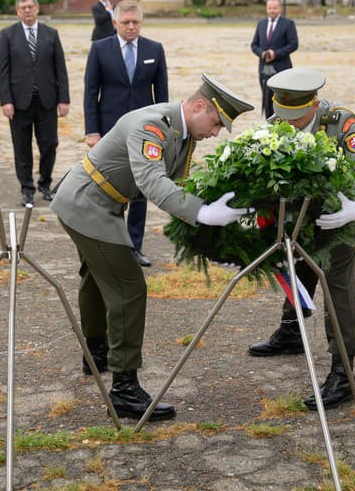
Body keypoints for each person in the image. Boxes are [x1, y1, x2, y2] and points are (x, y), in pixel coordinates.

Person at [51, 75, 254, 421]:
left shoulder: (182, 132)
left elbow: (180, 182)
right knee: (128, 288)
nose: (216, 132)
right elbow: (152, 181)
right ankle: (124, 389)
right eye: (217, 123)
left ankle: (96, 353)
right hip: (87, 205)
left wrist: (216, 226)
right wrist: (203, 213)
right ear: (199, 106)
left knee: (96, 275)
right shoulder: (154, 126)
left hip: (97, 201)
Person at [248, 67, 355, 411]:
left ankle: (343, 369)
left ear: (315, 104)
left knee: (337, 284)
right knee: (296, 268)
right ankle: (291, 331)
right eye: (282, 114)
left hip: (339, 216)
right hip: (300, 215)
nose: (287, 123)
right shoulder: (277, 121)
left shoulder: (341, 123)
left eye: (296, 117)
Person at [84, 0, 168, 268]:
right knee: (110, 189)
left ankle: (134, 246)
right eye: (126, 23)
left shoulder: (155, 49)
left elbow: (162, 97)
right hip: (110, 130)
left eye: (136, 22)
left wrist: (164, 131)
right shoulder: (99, 49)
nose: (131, 27)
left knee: (141, 189)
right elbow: (90, 92)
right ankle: (110, 245)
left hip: (145, 133)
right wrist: (92, 131)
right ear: (115, 23)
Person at [0, 0, 70, 207]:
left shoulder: (51, 34)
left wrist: (63, 99)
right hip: (19, 103)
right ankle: (26, 188)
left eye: (30, 7)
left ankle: (45, 183)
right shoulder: (7, 34)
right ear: (17, 11)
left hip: (47, 100)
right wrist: (5, 101)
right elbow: (2, 70)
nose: (27, 11)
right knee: (22, 147)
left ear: (37, 8)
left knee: (49, 144)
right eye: (22, 8)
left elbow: (61, 68)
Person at [250, 0, 299, 118]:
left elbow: (293, 44)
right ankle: (268, 127)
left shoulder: (288, 24)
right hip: (264, 69)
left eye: (274, 8)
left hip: (281, 68)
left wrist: (275, 54)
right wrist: (261, 53)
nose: (272, 10)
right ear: (267, 9)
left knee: (281, 100)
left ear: (279, 9)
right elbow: (254, 44)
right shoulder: (261, 24)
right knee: (267, 100)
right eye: (270, 8)